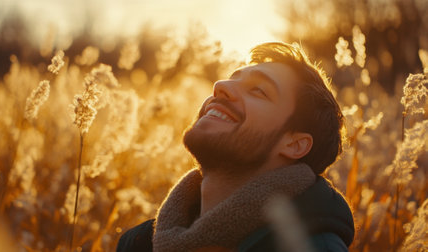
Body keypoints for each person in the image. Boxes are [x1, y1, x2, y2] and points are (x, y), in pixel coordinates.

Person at [116, 42, 355, 252]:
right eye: (231, 79)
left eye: (258, 91)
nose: (220, 85)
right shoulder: (139, 243)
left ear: (294, 144)